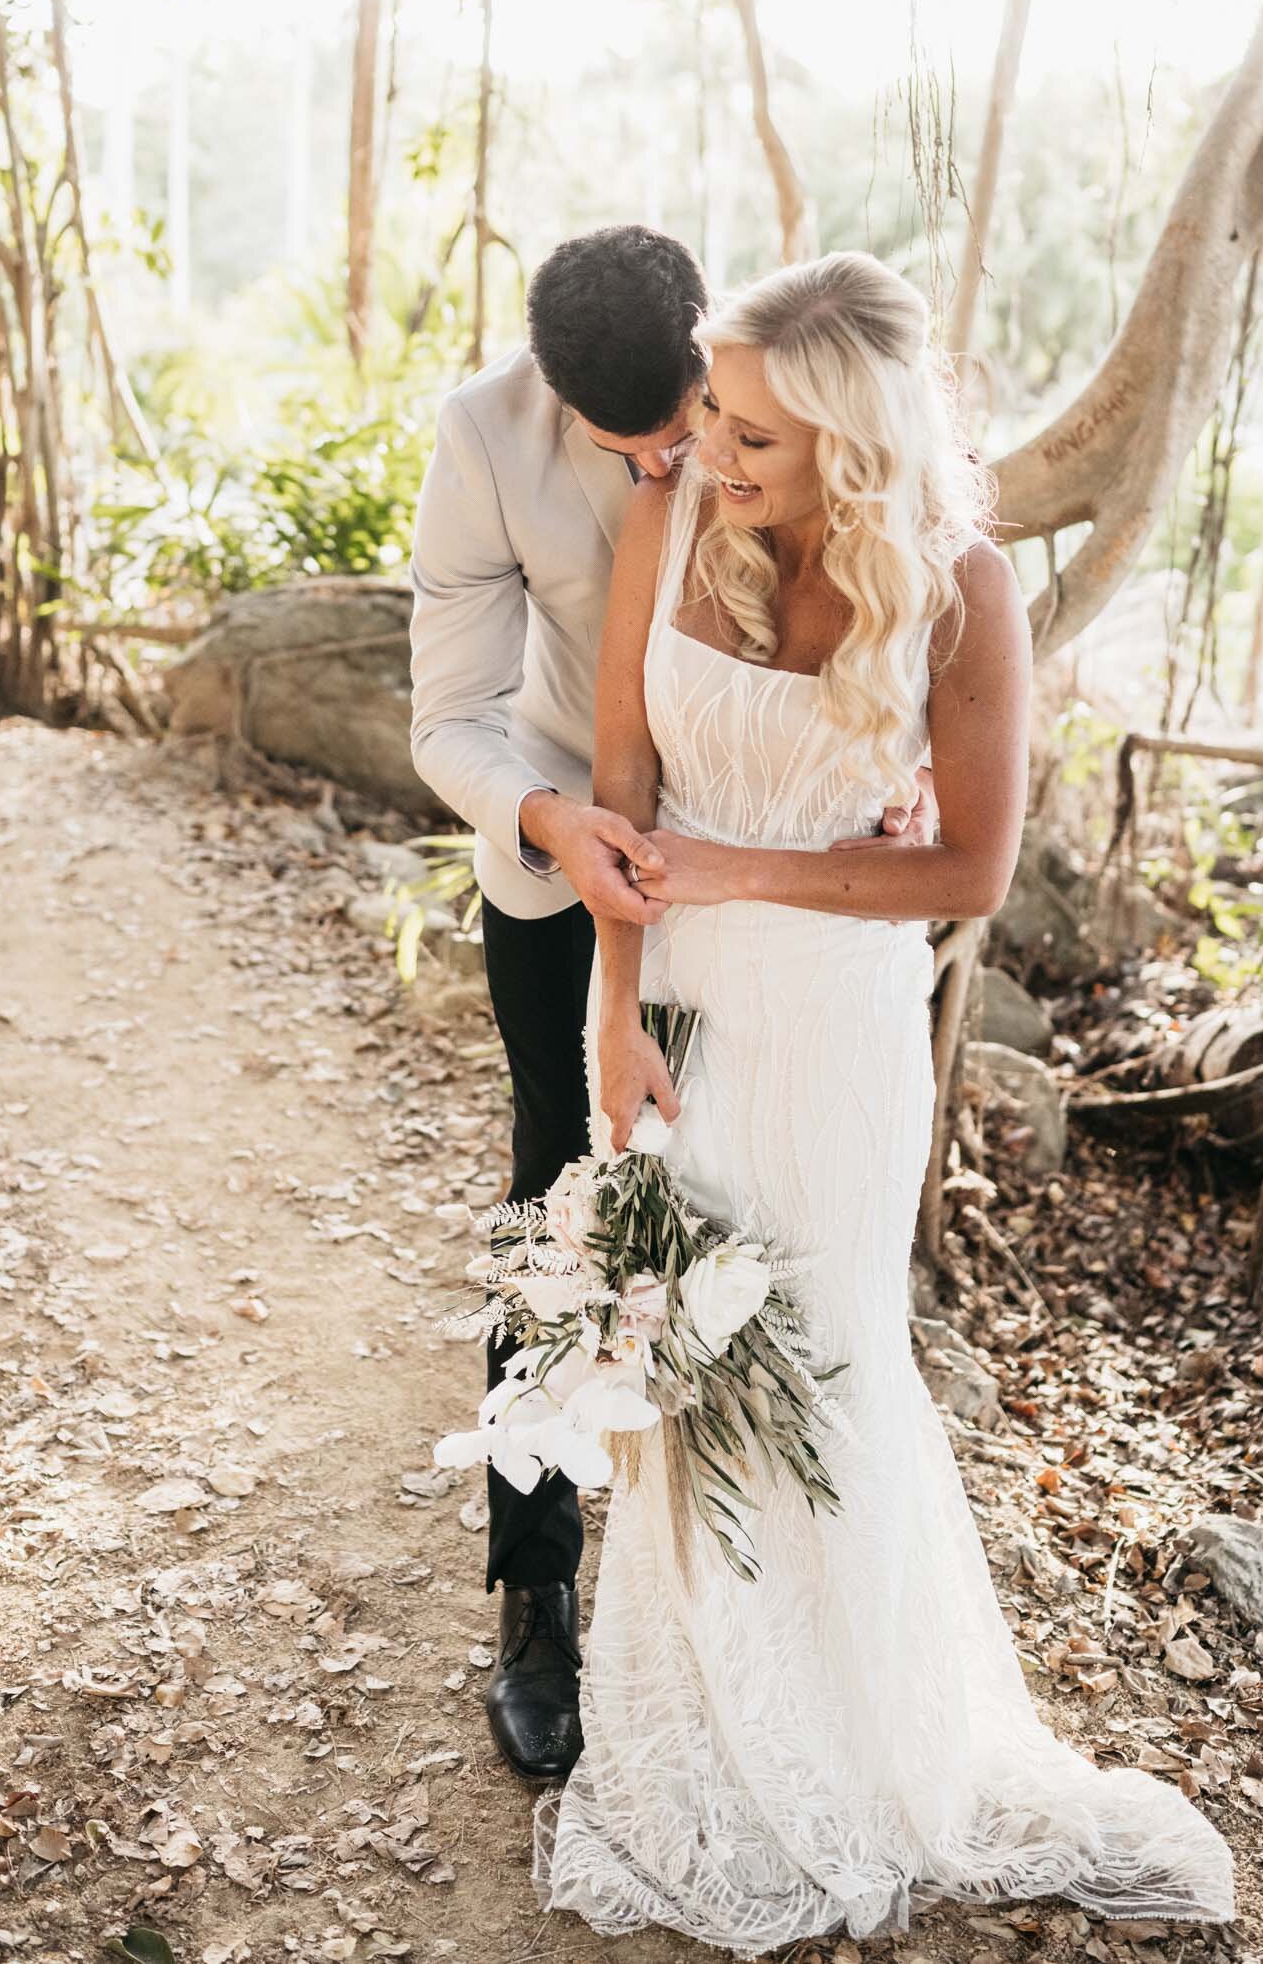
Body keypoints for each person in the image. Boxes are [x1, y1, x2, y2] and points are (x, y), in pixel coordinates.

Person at [535, 253, 1237, 1950]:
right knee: (689, 1371)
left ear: (851, 438)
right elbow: (624, 792)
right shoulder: (669, 524)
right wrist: (609, 1018)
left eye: (754, 429)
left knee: (829, 1363)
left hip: (839, 1040)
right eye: (713, 407)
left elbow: (968, 864)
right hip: (683, 1015)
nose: (707, 444)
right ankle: (701, 1735)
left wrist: (739, 865)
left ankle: (859, 1743)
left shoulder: (961, 587)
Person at [407, 224, 936, 1781]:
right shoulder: (478, 440)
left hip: (762, 864)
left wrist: (878, 762)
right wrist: (553, 822)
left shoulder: (762, 384)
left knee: (740, 1206)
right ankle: (536, 1599)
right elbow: (446, 711)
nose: (676, 465)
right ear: (552, 396)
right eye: (629, 444)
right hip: (565, 851)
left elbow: (889, 552)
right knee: (561, 1205)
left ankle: (745, 1591)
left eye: (690, 425)